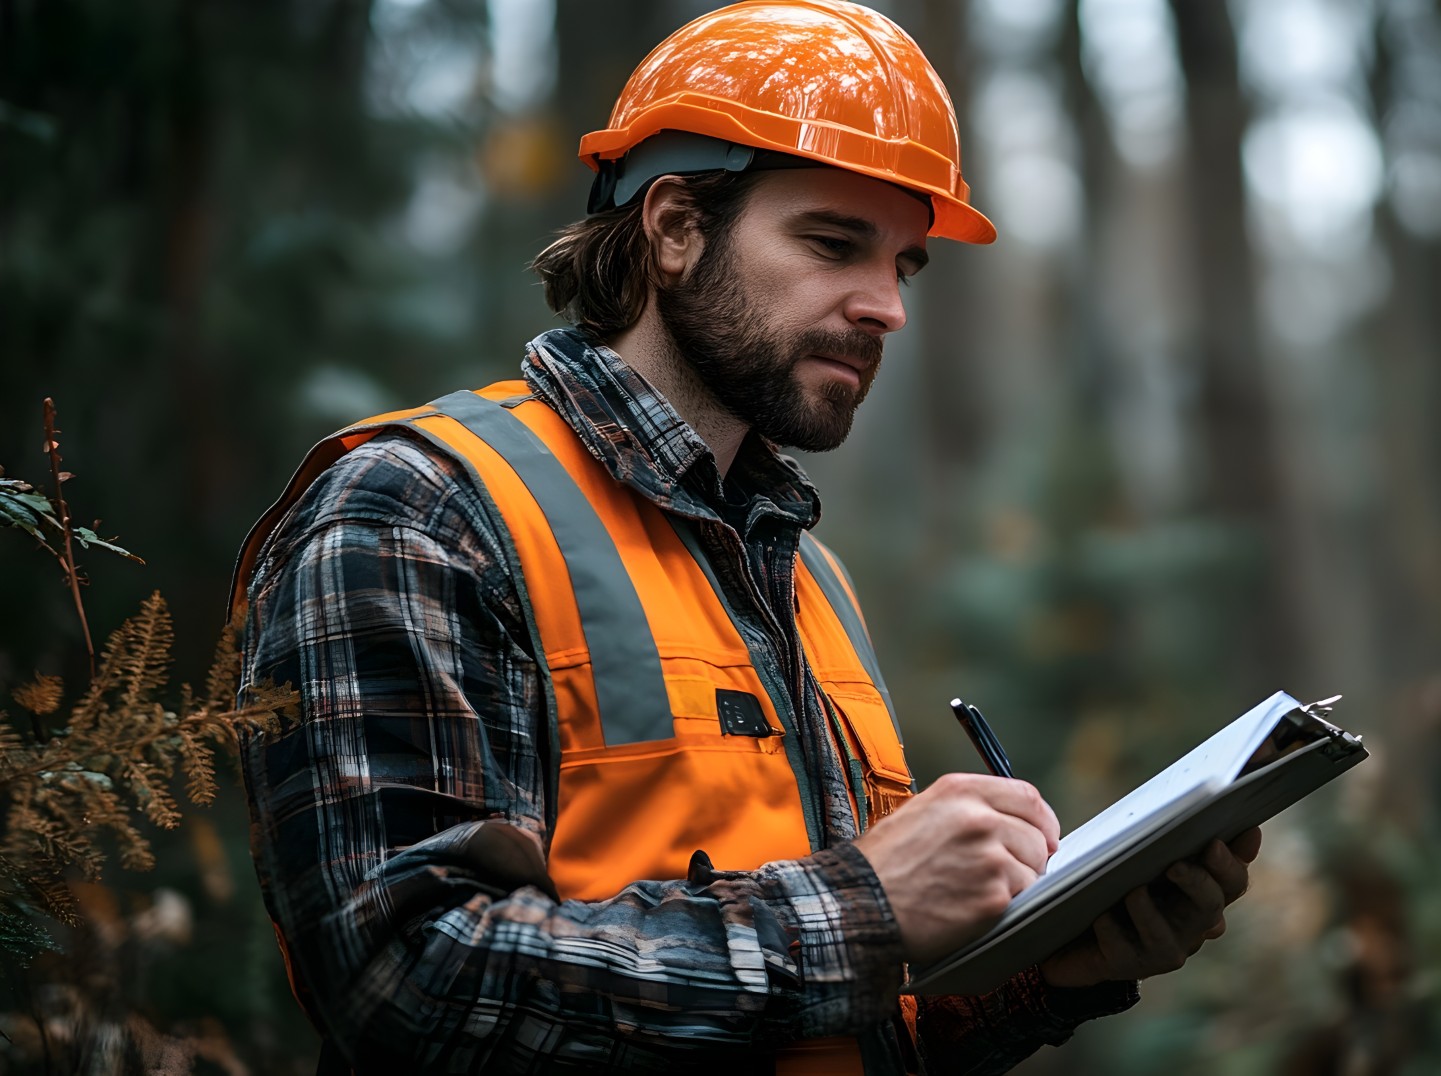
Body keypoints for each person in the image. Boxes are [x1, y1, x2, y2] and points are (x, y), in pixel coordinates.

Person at [232, 2, 1261, 1072]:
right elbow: (405, 979)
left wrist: (1051, 971)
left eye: (903, 264)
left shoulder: (812, 580)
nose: (885, 307)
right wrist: (864, 903)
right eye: (833, 242)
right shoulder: (420, 509)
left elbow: (830, 1015)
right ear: (676, 228)